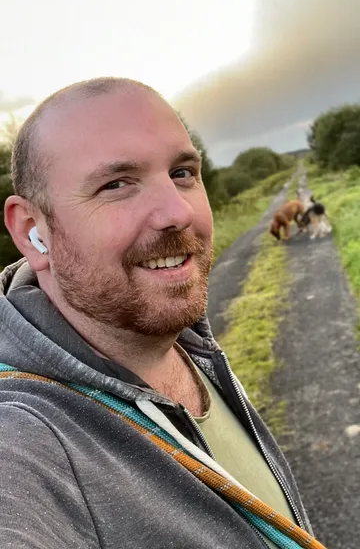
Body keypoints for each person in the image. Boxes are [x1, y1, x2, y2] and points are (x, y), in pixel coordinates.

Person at [0, 77, 320, 549]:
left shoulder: (184, 339)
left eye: (183, 172)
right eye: (116, 184)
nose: (177, 211)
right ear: (32, 232)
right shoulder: (26, 440)